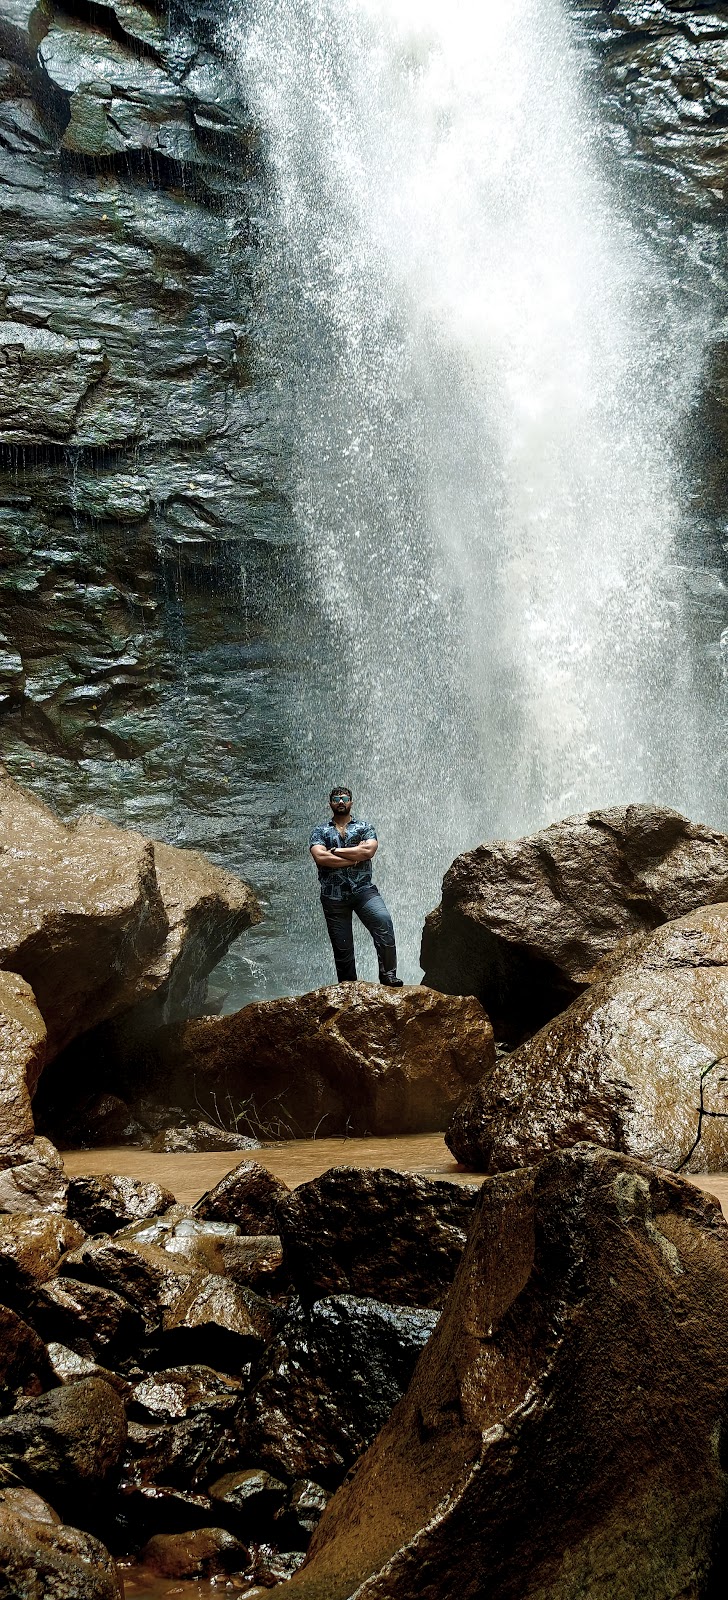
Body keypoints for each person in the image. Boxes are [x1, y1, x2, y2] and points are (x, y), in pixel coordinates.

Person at [309, 786, 403, 986]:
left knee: (383, 921)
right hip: (333, 896)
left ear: (351, 802)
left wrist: (336, 851)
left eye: (344, 798)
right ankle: (348, 987)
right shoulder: (320, 831)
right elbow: (321, 857)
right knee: (342, 948)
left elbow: (368, 851)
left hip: (363, 890)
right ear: (330, 803)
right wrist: (354, 857)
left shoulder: (364, 827)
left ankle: (388, 976)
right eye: (336, 799)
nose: (340, 802)